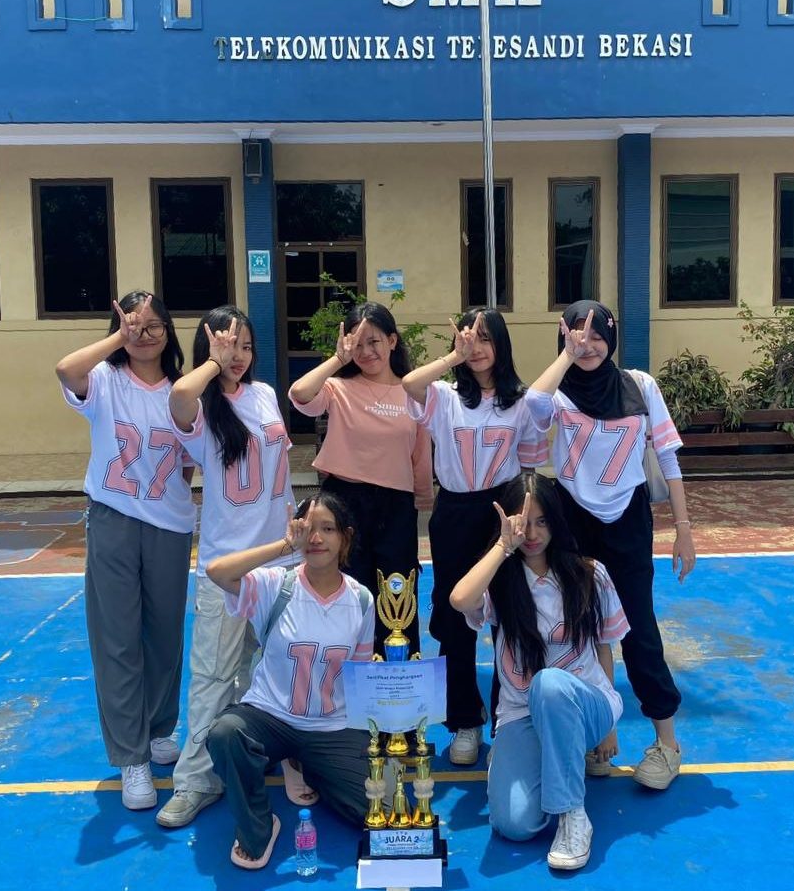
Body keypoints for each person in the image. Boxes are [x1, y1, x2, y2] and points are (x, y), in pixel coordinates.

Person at [526, 300, 696, 790]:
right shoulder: (557, 394)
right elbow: (533, 405)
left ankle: (667, 744)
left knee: (638, 630)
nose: (589, 345)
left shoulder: (639, 386)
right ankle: (597, 735)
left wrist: (683, 527)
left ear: (612, 338)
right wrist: (566, 355)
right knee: (583, 631)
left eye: (597, 336)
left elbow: (668, 456)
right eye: (577, 337)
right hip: (573, 519)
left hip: (628, 521)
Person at [157, 305, 297, 828]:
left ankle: (253, 753)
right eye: (225, 345)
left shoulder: (264, 395)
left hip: (280, 562)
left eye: (245, 345)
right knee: (213, 675)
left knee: (266, 670)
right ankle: (196, 780)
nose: (237, 356)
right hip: (225, 568)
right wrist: (214, 365)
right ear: (207, 349)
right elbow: (178, 396)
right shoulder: (199, 406)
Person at [55, 291, 195, 810]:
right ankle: (131, 756)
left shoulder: (181, 391)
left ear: (169, 331)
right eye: (134, 324)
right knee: (117, 640)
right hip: (113, 519)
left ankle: (159, 730)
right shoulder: (105, 380)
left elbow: (188, 463)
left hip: (170, 526)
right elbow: (65, 369)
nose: (144, 333)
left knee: (164, 636)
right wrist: (119, 336)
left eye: (154, 325)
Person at [450, 473, 629, 870]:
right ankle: (539, 760)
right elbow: (460, 599)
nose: (531, 534)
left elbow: (604, 647)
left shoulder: (589, 574)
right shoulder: (501, 581)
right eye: (522, 522)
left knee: (548, 684)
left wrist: (609, 725)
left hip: (584, 705)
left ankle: (572, 814)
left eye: (542, 521)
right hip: (521, 714)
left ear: (557, 522)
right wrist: (503, 546)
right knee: (514, 824)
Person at [401, 307, 547, 764]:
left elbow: (530, 468)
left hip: (503, 513)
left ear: (501, 344)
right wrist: (452, 358)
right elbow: (409, 384)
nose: (477, 348)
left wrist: (525, 521)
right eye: (468, 339)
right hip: (455, 515)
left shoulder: (522, 402)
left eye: (485, 339)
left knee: (511, 616)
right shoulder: (443, 396)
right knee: (454, 621)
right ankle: (464, 720)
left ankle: (509, 716)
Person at [205, 493, 375, 870]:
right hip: (271, 717)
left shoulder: (362, 600)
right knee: (225, 735)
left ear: (345, 538)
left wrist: (371, 743)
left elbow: (361, 675)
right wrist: (284, 546)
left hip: (331, 727)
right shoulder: (275, 586)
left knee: (380, 812)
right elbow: (218, 571)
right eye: (307, 528)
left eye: (327, 529)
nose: (316, 538)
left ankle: (310, 765)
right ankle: (259, 825)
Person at [288, 301, 433, 657]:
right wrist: (338, 359)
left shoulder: (413, 392)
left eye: (374, 341)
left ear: (393, 341)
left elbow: (420, 453)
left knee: (397, 590)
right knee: (347, 587)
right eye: (357, 343)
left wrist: (423, 497)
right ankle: (342, 669)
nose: (366, 352)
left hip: (396, 507)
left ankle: (397, 674)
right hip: (343, 503)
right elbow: (300, 395)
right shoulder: (338, 387)